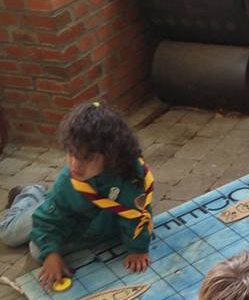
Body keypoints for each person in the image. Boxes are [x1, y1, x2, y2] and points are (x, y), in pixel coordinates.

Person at [0, 100, 154, 290]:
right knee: (12, 236)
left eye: (87, 159)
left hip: (93, 224)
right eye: (71, 154)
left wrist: (138, 249)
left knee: (41, 247)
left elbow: (137, 214)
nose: (75, 166)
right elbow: (48, 221)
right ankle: (32, 193)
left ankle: (47, 202)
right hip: (60, 208)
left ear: (112, 155)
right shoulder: (68, 180)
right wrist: (51, 254)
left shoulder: (132, 174)